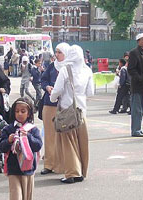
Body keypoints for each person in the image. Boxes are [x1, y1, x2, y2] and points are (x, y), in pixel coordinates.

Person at [50, 45, 94, 183]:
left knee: (68, 143)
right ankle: (81, 171)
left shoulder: (65, 69)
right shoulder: (87, 70)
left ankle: (71, 173)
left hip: (67, 111)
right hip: (82, 111)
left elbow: (57, 90)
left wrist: (52, 98)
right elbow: (90, 92)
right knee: (82, 143)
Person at [0, 97, 42, 200]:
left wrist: (28, 137)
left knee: (27, 196)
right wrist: (9, 141)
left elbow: (38, 145)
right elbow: (2, 147)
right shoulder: (8, 129)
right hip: (13, 168)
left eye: (23, 111)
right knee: (16, 195)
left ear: (29, 113)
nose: (19, 114)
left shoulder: (32, 129)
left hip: (28, 168)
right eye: (17, 111)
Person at [39, 44, 68, 175]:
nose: (56, 55)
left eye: (59, 52)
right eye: (56, 52)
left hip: (63, 105)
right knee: (49, 136)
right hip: (49, 103)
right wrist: (47, 88)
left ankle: (63, 164)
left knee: (63, 136)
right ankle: (49, 164)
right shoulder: (52, 66)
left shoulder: (69, 67)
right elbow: (43, 80)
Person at [127, 33, 143, 137]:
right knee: (137, 109)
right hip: (137, 85)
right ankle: (135, 130)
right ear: (138, 41)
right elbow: (131, 69)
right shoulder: (134, 53)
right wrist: (140, 78)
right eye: (142, 40)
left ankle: (139, 128)